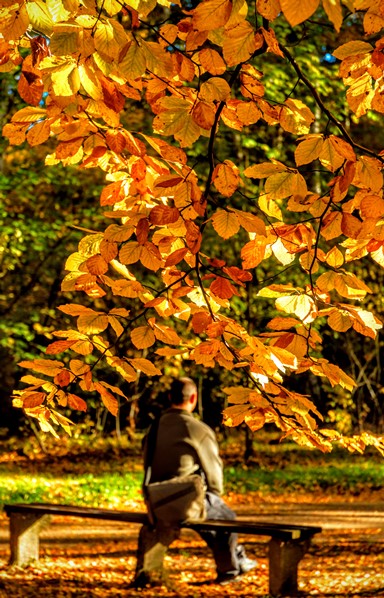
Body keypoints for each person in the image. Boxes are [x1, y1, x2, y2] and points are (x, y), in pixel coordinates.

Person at [134, 376, 257, 587]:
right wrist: (214, 495)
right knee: (225, 517)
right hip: (186, 500)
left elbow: (147, 463)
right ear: (193, 397)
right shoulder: (198, 429)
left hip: (156, 501)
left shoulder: (153, 429)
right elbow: (214, 475)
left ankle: (147, 574)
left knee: (213, 515)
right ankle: (231, 569)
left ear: (170, 397)